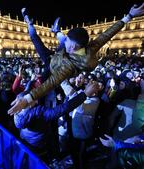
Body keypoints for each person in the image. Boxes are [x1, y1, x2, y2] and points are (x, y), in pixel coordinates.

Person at [8, 3, 144, 116]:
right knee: (59, 43)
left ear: (72, 46)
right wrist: (129, 16)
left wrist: (27, 99)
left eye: (68, 40)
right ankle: (56, 31)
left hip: (52, 65)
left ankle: (34, 25)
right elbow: (107, 34)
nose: (66, 41)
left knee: (36, 41)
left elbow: (50, 83)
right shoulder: (90, 47)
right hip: (59, 56)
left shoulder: (69, 67)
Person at [13, 81, 99, 163]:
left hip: (26, 139)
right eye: (34, 98)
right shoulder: (39, 113)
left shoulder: (18, 110)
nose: (36, 98)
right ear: (30, 103)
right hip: (39, 145)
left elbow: (25, 94)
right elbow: (63, 109)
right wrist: (84, 94)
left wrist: (31, 82)